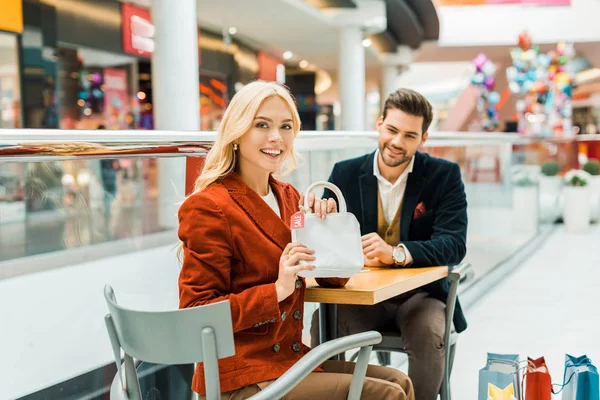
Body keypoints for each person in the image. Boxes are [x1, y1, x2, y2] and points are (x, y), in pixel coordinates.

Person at [178, 81, 414, 400]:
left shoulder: (290, 198)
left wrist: (327, 232)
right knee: (386, 395)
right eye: (262, 125)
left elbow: (335, 279)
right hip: (240, 377)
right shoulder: (210, 206)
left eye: (285, 126)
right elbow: (197, 314)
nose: (276, 137)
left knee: (400, 382)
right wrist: (277, 290)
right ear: (236, 132)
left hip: (286, 361)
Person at [309, 88, 468, 400]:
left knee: (429, 332)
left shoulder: (444, 175)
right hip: (362, 297)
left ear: (423, 138)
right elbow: (325, 245)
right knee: (323, 322)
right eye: (392, 130)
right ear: (379, 124)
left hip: (421, 296)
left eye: (409, 135)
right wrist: (319, 217)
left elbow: (454, 245)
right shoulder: (345, 172)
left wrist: (397, 253)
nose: (397, 142)